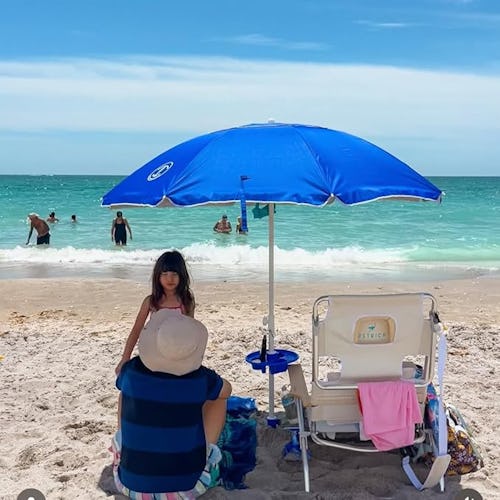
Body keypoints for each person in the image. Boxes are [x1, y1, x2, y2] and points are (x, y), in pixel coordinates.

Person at [111, 313, 232, 497]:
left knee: (125, 393)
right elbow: (227, 390)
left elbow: (121, 381)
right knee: (218, 398)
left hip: (131, 487)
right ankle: (209, 448)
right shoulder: (200, 378)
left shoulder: (131, 370)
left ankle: (129, 443)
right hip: (187, 487)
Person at [115, 250, 195, 375]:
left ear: (182, 275)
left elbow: (190, 332)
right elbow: (136, 330)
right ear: (157, 276)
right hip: (153, 352)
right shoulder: (151, 301)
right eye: (164, 274)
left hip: (177, 353)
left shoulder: (186, 301)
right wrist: (125, 358)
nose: (170, 278)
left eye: (175, 274)